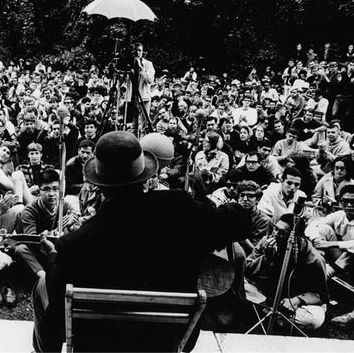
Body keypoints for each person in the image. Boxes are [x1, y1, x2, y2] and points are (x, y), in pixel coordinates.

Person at [31, 131, 253, 352]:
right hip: (165, 340)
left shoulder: (75, 243)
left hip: (100, 344)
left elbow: (56, 326)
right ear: (146, 176)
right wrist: (201, 202)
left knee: (41, 287)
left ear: (99, 185)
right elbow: (241, 221)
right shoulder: (181, 209)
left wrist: (52, 258)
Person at [305, 185, 354, 326]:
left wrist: (332, 244)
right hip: (340, 259)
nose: (349, 205)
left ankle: (324, 275)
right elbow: (312, 225)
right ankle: (318, 271)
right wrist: (318, 240)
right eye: (344, 201)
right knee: (322, 229)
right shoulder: (338, 215)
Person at [245, 213, 328, 330]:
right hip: (266, 292)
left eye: (281, 233)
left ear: (296, 238)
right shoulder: (266, 242)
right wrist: (266, 258)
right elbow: (247, 270)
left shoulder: (314, 259)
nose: (275, 234)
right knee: (240, 284)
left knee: (314, 319)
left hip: (293, 299)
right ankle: (274, 313)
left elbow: (321, 295)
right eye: (275, 229)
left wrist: (297, 300)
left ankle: (268, 312)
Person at [236, 180, 272, 255]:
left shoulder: (263, 220)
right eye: (242, 195)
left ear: (258, 200)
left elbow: (255, 251)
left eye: (250, 196)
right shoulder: (234, 213)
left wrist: (238, 233)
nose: (245, 199)